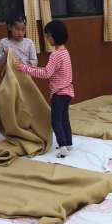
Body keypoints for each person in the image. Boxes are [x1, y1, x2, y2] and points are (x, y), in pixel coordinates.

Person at [14, 20, 74, 159]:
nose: (47, 39)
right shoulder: (65, 52)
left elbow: (46, 73)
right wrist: (31, 67)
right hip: (68, 92)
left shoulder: (55, 55)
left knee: (55, 121)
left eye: (48, 36)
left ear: (54, 36)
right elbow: (50, 71)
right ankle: (69, 143)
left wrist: (25, 68)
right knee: (64, 119)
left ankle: (62, 147)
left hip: (59, 93)